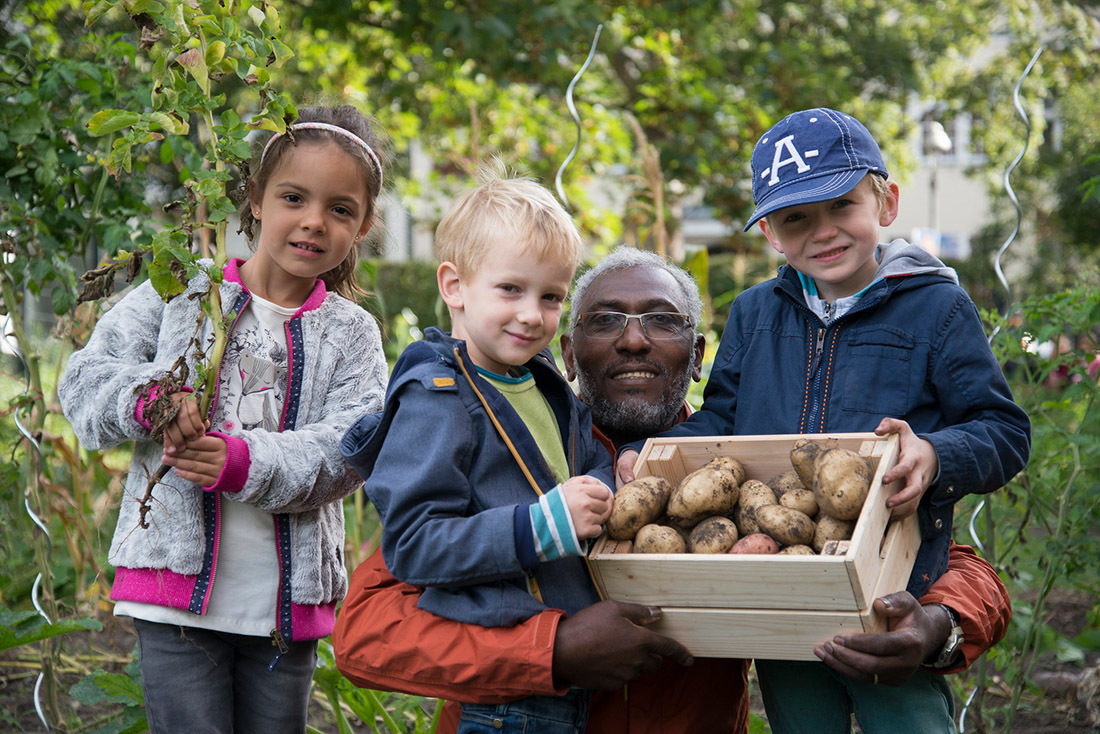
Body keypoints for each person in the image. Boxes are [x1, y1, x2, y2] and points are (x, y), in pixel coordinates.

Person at [333, 246, 1014, 733]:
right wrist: (554, 649)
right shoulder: (506, 453)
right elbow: (365, 632)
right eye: (604, 321)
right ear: (568, 355)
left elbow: (952, 563)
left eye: (661, 319)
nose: (633, 341)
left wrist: (936, 629)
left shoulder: (745, 470)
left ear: (696, 359)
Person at [617, 108, 1031, 733]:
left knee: (906, 718)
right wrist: (657, 455)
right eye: (796, 218)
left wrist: (936, 455)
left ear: (885, 201)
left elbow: (1003, 430)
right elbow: (723, 419)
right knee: (802, 716)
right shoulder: (757, 312)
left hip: (897, 587)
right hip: (785, 583)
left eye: (842, 205)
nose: (824, 231)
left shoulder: (937, 306)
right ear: (772, 236)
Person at [58, 104, 390, 733]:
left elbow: (350, 447)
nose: (313, 222)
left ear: (363, 225)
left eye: (340, 209)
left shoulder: (351, 334)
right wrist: (152, 399)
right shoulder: (181, 290)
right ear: (256, 198)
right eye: (293, 197)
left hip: (282, 612)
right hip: (174, 595)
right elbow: (83, 382)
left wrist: (243, 463)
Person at [339, 163, 615, 734]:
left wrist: (614, 479)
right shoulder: (436, 397)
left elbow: (582, 465)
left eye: (551, 296)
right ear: (455, 286)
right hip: (507, 685)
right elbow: (416, 545)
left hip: (572, 657)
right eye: (510, 288)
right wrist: (541, 525)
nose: (531, 314)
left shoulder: (544, 385)